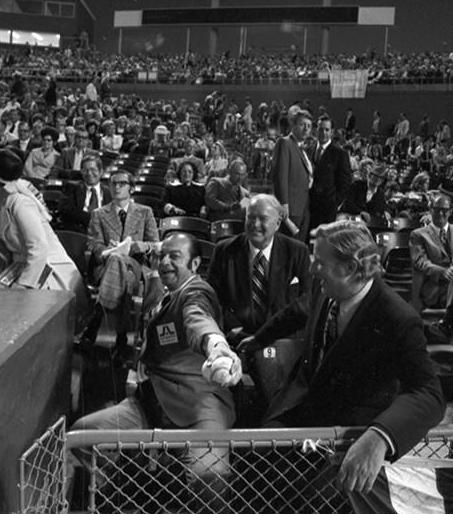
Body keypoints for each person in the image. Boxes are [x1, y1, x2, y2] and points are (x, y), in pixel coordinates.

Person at [238, 220, 444, 500]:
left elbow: (429, 394)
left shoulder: (398, 318)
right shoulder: (326, 289)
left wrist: (378, 438)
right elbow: (297, 311)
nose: (311, 269)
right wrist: (259, 339)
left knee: (303, 499)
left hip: (347, 436)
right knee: (253, 470)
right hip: (299, 409)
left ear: (350, 269)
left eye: (319, 262)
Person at [70, 232, 243, 514]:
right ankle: (109, 499)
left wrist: (217, 346)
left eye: (174, 256)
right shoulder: (160, 291)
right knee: (82, 435)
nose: (165, 263)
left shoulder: (195, 292)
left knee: (208, 477)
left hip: (199, 406)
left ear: (195, 264)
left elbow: (198, 320)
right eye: (161, 255)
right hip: (151, 400)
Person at [0, 149, 82, 292]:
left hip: (47, 267)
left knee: (7, 301)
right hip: (20, 265)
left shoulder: (21, 204)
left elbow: (39, 248)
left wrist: (23, 285)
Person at [208, 194, 311, 341]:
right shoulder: (224, 251)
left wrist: (264, 337)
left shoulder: (298, 251)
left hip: (281, 339)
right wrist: (234, 331)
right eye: (250, 217)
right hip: (236, 338)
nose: (255, 224)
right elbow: (213, 299)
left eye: (263, 219)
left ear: (277, 224)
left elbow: (305, 301)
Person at [87, 169, 160, 354]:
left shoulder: (145, 212)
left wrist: (139, 245)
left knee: (121, 262)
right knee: (117, 261)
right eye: (113, 183)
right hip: (106, 266)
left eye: (122, 183)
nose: (117, 187)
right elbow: (94, 246)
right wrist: (107, 250)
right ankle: (122, 334)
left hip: (136, 265)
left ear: (131, 188)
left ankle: (96, 319)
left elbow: (155, 244)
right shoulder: (99, 213)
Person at [409, 194, 453, 311]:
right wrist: (441, 271)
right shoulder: (418, 234)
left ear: (450, 211)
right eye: (437, 209)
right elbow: (420, 261)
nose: (440, 213)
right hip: (436, 288)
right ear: (431, 210)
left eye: (444, 210)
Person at [271, 110, 313, 241]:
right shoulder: (284, 143)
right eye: (302, 124)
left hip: (303, 206)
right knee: (288, 246)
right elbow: (280, 176)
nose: (306, 129)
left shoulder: (302, 148)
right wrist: (284, 203)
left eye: (309, 126)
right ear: (293, 125)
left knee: (298, 247)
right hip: (290, 208)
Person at [308, 116, 352, 230]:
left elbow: (345, 182)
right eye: (320, 129)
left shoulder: (340, 154)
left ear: (332, 132)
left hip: (327, 209)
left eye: (327, 130)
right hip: (308, 206)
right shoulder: (309, 149)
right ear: (316, 130)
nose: (323, 133)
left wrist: (334, 202)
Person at [57, 155, 109, 233]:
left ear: (101, 172)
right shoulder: (72, 187)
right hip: (78, 232)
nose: (89, 173)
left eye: (93, 170)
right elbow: (65, 211)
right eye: (85, 170)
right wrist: (93, 218)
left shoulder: (109, 192)